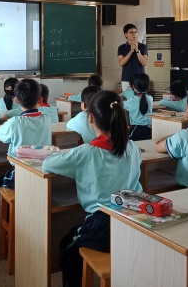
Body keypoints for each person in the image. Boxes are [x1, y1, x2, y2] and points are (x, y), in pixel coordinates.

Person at [42, 90, 142, 287]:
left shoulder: (86, 152)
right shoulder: (132, 148)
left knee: (68, 247)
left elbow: (47, 165)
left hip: (103, 223)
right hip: (133, 218)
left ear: (90, 118)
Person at [0, 79, 52, 192]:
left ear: (16, 100)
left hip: (21, 170)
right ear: (40, 100)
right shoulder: (47, 119)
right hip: (43, 168)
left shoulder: (15, 122)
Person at [117, 24, 148, 92]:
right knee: (127, 98)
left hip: (140, 79)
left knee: (141, 97)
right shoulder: (122, 47)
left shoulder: (143, 46)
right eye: (131, 32)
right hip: (127, 79)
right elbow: (121, 63)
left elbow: (144, 63)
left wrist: (137, 50)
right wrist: (131, 51)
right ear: (126, 34)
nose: (134, 34)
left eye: (135, 32)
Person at [124, 73, 153, 141]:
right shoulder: (150, 98)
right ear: (148, 86)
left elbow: (122, 105)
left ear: (133, 86)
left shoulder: (132, 100)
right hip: (149, 128)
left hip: (137, 129)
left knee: (128, 142)